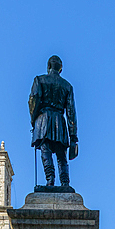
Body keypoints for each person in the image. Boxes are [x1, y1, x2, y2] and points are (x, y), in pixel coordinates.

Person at [29, 55, 78, 188]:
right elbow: (71, 112)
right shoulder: (67, 86)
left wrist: (33, 120)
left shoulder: (39, 80)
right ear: (60, 68)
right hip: (59, 121)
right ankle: (65, 182)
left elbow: (34, 100)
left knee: (46, 151)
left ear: (48, 66)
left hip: (43, 119)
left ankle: (50, 180)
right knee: (62, 156)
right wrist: (73, 135)